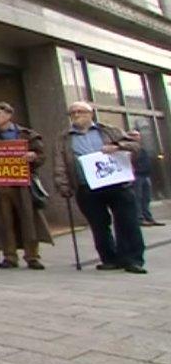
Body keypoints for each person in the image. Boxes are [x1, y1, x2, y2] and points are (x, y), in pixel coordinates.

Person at [53, 101, 146, 274]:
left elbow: (135, 147)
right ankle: (109, 259)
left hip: (117, 183)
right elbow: (60, 163)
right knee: (99, 225)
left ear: (91, 114)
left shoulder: (109, 130)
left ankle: (132, 259)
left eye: (80, 112)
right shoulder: (64, 138)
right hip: (87, 186)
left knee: (127, 222)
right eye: (72, 113)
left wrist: (118, 146)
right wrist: (63, 185)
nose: (76, 115)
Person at [0, 102, 52, 269]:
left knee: (28, 219)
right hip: (1, 186)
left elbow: (41, 155)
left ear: (8, 115)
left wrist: (33, 156)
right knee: (6, 221)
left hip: (23, 184)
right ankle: (9, 256)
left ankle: (32, 255)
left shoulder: (27, 135)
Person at [128, 130, 163, 226]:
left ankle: (148, 217)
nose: (137, 137)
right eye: (134, 135)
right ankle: (139, 218)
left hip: (146, 175)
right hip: (137, 176)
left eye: (138, 135)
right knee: (138, 197)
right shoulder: (129, 148)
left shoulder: (141, 148)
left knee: (146, 197)